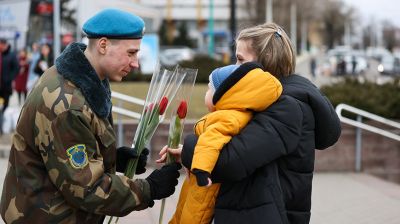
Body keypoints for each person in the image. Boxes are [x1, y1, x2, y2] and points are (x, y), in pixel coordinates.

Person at [0, 8, 181, 224]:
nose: (136, 63)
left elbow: (68, 151)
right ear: (103, 45)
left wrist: (114, 158)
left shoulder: (79, 79)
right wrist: (149, 189)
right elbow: (86, 189)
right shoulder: (68, 104)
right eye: (131, 53)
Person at [160, 22, 341, 224]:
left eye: (240, 60)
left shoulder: (287, 107)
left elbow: (230, 162)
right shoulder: (266, 102)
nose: (235, 69)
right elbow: (242, 150)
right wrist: (196, 151)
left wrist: (191, 150)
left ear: (265, 62)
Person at [168, 62, 282, 223]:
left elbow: (210, 142)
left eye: (209, 89)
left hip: (205, 187)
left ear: (222, 94)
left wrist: (201, 170)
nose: (206, 93)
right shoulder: (234, 114)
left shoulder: (227, 118)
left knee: (192, 216)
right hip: (202, 182)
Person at [0, 38, 19, 113]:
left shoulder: (11, 55)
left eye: (1, 45)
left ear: (5, 45)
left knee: (5, 104)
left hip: (6, 85)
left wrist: (10, 78)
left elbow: (16, 68)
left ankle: (3, 118)